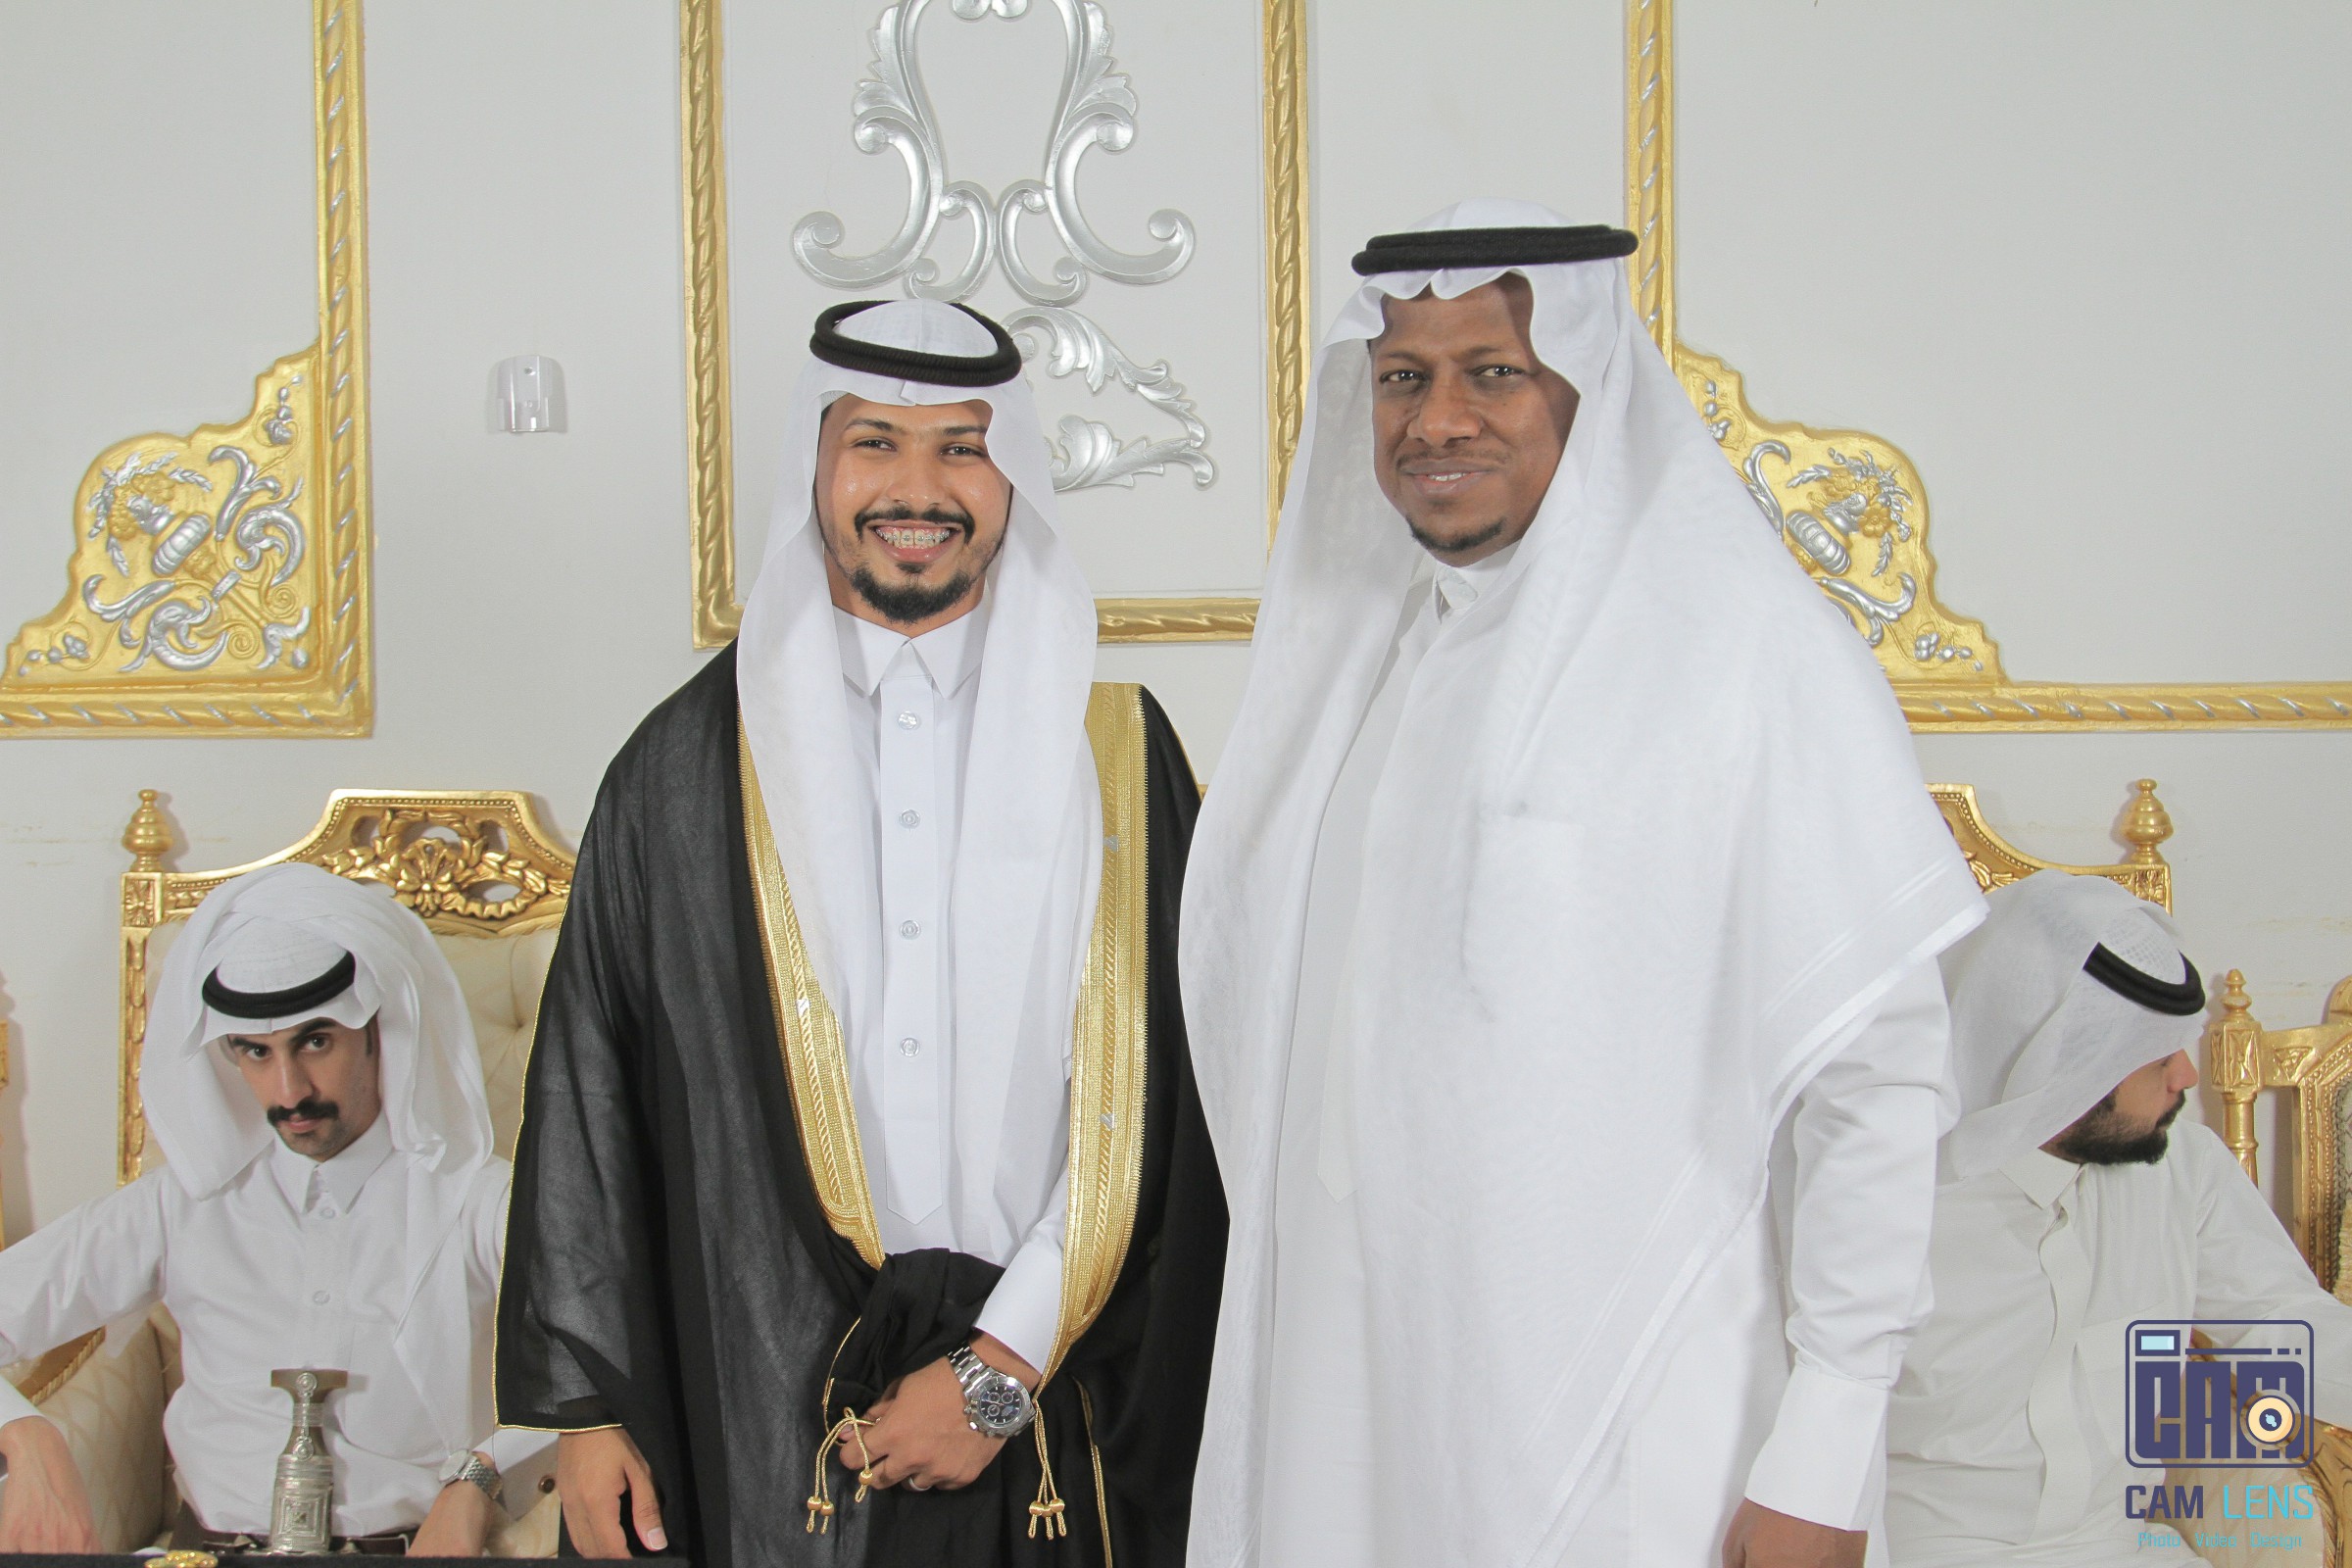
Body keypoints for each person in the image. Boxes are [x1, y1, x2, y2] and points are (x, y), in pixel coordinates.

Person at [1179, 200, 1988, 1568]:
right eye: (1402, 377)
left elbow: (1879, 1077)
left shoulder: (1745, 655)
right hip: (1353, 1389)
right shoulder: (1364, 667)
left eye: (1493, 370)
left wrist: (1830, 1450)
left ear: (1590, 383)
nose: (1437, 419)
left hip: (1641, 1410)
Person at [496, 298, 1224, 1568]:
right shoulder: (683, 770)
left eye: (962, 447)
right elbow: (593, 1091)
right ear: (815, 463)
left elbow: (1177, 1103)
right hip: (767, 1387)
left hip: (1055, 1396)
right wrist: (591, 1410)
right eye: (875, 441)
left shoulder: (1119, 753)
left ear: (1014, 475)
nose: (918, 488)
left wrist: (1001, 1366)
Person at [0, 863, 550, 1553]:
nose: (289, 1092)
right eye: (255, 1053)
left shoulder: (476, 1196)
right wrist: (27, 1435)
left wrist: (479, 1475)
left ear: (380, 1030)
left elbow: (611, 1348)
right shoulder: (181, 1205)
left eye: (315, 1042)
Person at [1886, 870, 2352, 1567]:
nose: (2186, 1077)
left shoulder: (2184, 1168)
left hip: (2127, 1548)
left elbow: (2285, 1325)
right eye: (2155, 1056)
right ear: (2061, 1065)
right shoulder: (1888, 1200)